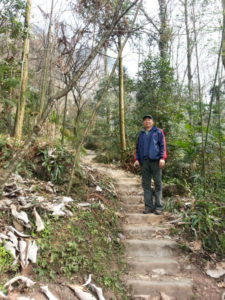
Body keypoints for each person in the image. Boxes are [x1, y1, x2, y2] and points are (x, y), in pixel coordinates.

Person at [134, 115, 167, 215]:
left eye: (149, 120)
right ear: (143, 123)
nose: (147, 122)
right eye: (145, 120)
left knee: (158, 183)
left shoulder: (158, 132)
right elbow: (137, 148)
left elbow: (163, 145)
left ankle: (158, 207)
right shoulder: (141, 134)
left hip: (156, 161)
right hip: (145, 162)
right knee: (146, 185)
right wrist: (136, 159)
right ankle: (148, 206)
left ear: (152, 122)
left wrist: (162, 158)